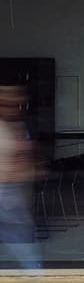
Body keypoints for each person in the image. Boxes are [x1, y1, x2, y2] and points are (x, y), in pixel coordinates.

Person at [0, 84, 40, 271]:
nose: (13, 107)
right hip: (6, 189)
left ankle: (33, 275)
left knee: (22, 239)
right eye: (8, 103)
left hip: (12, 191)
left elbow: (23, 157)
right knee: (21, 239)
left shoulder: (19, 126)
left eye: (16, 103)